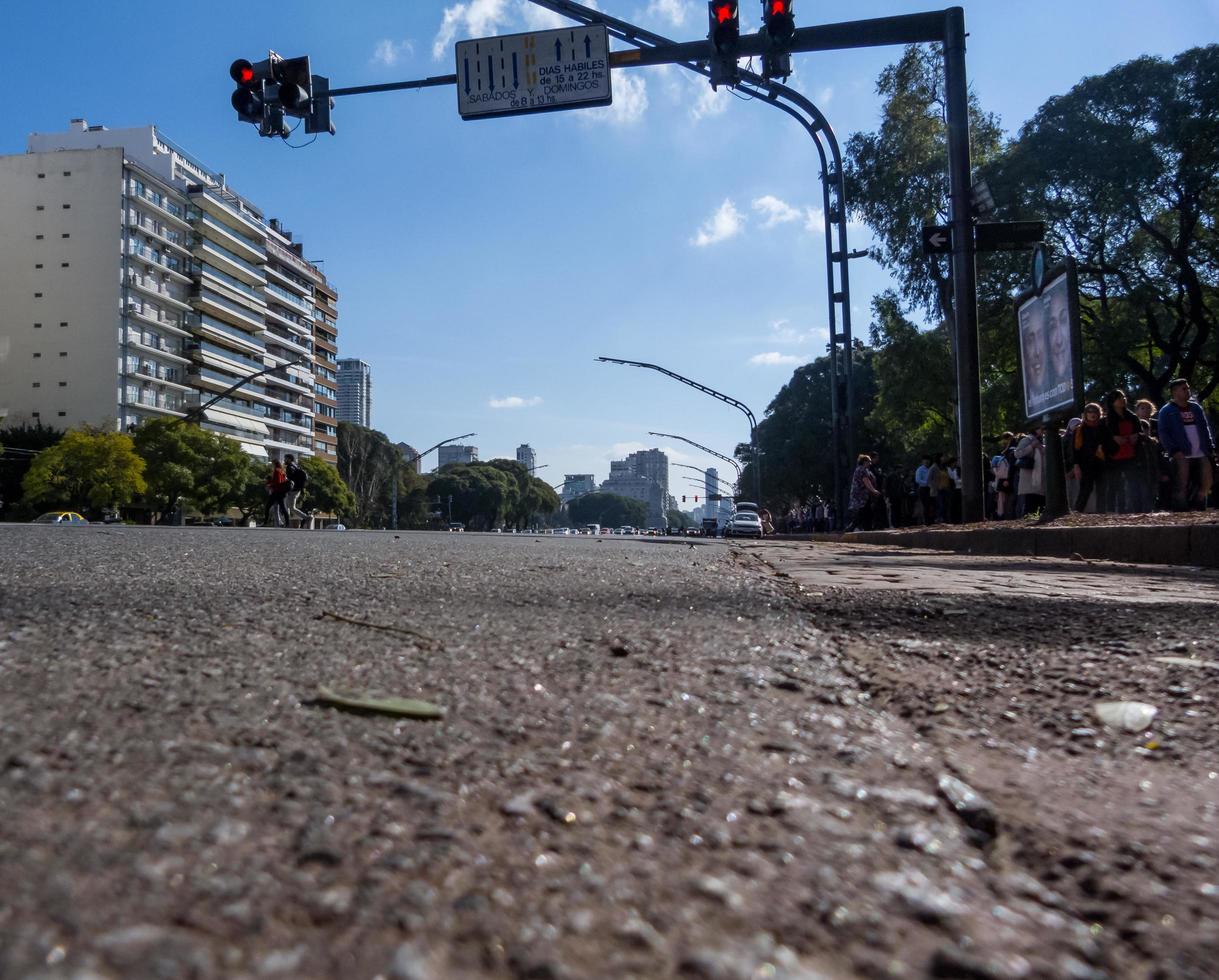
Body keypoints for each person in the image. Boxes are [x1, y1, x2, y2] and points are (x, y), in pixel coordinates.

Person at [1157, 378, 1215, 510]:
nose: (1187, 391)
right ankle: (1180, 511)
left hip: (1201, 451)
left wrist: (1210, 445)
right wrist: (1173, 450)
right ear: (1175, 391)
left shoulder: (1196, 408)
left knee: (1208, 480)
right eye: (1184, 388)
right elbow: (1163, 433)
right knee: (1181, 484)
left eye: (1188, 388)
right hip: (1181, 453)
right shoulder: (1166, 410)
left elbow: (1205, 428)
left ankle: (1199, 503)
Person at [1102, 390, 1150, 513]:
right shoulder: (1107, 419)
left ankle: (1136, 510)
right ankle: (1111, 512)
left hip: (1131, 455)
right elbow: (1103, 438)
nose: (1123, 399)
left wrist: (1136, 436)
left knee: (1133, 483)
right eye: (1119, 398)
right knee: (1114, 485)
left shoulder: (1132, 416)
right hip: (1114, 457)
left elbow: (1141, 434)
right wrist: (1113, 438)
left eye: (1123, 397)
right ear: (1112, 402)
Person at [1072, 403, 1107, 513]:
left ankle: (1102, 513)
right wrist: (1076, 465)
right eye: (1089, 412)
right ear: (1085, 414)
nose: (1092, 414)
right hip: (1085, 464)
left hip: (1102, 463)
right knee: (1085, 489)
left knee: (1103, 489)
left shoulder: (1104, 427)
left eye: (1095, 411)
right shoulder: (1079, 430)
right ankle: (1077, 512)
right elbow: (1074, 450)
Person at [1015, 427, 1046, 516]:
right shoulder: (1027, 440)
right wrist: (1031, 446)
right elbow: (1017, 453)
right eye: (1041, 428)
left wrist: (1040, 447)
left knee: (1040, 504)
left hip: (1042, 479)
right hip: (1030, 479)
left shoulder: (1043, 440)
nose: (1043, 430)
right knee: (1030, 505)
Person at [846, 454, 881, 531]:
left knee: (867, 511)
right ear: (864, 462)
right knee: (863, 512)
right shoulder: (862, 469)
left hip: (863, 495)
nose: (870, 464)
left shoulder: (864, 470)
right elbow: (866, 481)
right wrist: (873, 490)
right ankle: (852, 527)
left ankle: (867, 528)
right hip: (861, 495)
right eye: (869, 462)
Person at [284, 454, 311, 529]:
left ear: (289, 459)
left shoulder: (290, 467)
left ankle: (306, 517)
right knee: (288, 506)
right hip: (297, 489)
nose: (284, 460)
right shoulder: (295, 466)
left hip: (293, 490)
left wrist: (286, 479)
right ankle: (287, 522)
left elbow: (291, 479)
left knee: (291, 507)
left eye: (285, 458)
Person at [264, 459, 291, 528]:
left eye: (272, 463)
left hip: (277, 492)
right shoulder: (282, 471)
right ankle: (287, 524)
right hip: (282, 492)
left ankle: (265, 523)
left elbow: (278, 482)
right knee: (283, 508)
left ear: (274, 463)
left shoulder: (276, 471)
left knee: (267, 507)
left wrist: (269, 485)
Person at [914, 455, 933, 525]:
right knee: (926, 505)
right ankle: (926, 522)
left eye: (928, 460)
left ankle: (931, 521)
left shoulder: (930, 469)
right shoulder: (920, 469)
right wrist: (927, 483)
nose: (927, 461)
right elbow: (918, 480)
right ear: (922, 461)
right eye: (925, 460)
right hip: (923, 489)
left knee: (931, 505)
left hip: (931, 489)